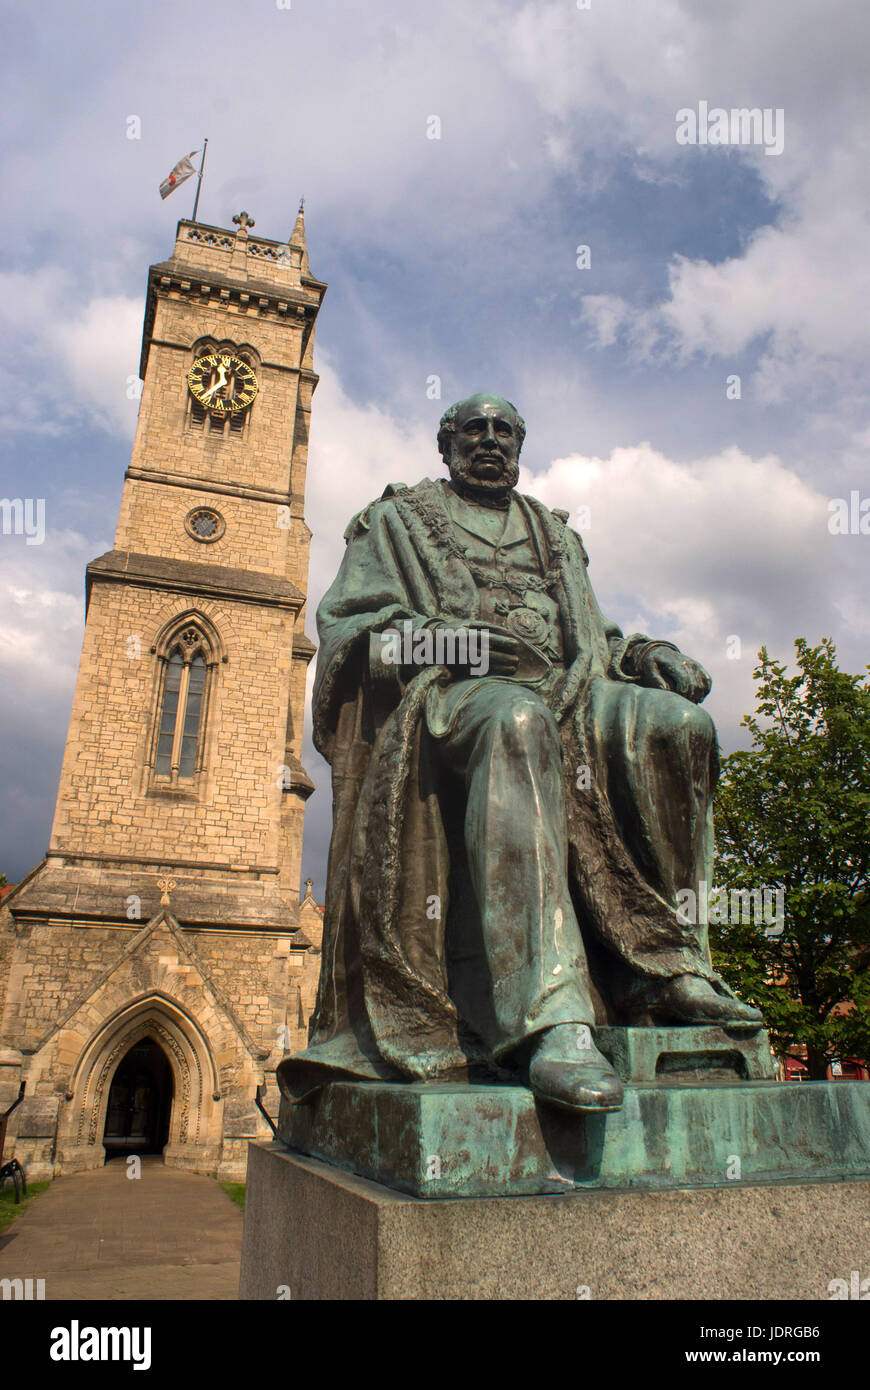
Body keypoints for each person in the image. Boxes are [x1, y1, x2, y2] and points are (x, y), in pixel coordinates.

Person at [279, 394, 761, 1116]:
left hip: (574, 695)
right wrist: (452, 641)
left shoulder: (553, 534)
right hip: (452, 701)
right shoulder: (396, 524)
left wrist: (648, 653)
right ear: (446, 445)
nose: (490, 441)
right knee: (518, 718)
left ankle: (665, 968)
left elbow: (595, 638)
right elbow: (354, 638)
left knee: (677, 727)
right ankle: (551, 1022)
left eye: (505, 431)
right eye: (474, 430)